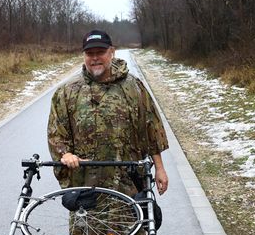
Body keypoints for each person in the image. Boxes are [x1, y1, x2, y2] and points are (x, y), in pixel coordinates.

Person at [47, 29, 169, 198]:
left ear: (112, 52)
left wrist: (160, 169)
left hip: (129, 183)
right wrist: (65, 154)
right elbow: (56, 133)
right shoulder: (67, 92)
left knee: (134, 223)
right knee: (87, 224)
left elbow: (152, 130)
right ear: (83, 55)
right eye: (90, 53)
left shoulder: (133, 87)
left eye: (100, 52)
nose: (95, 58)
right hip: (86, 188)